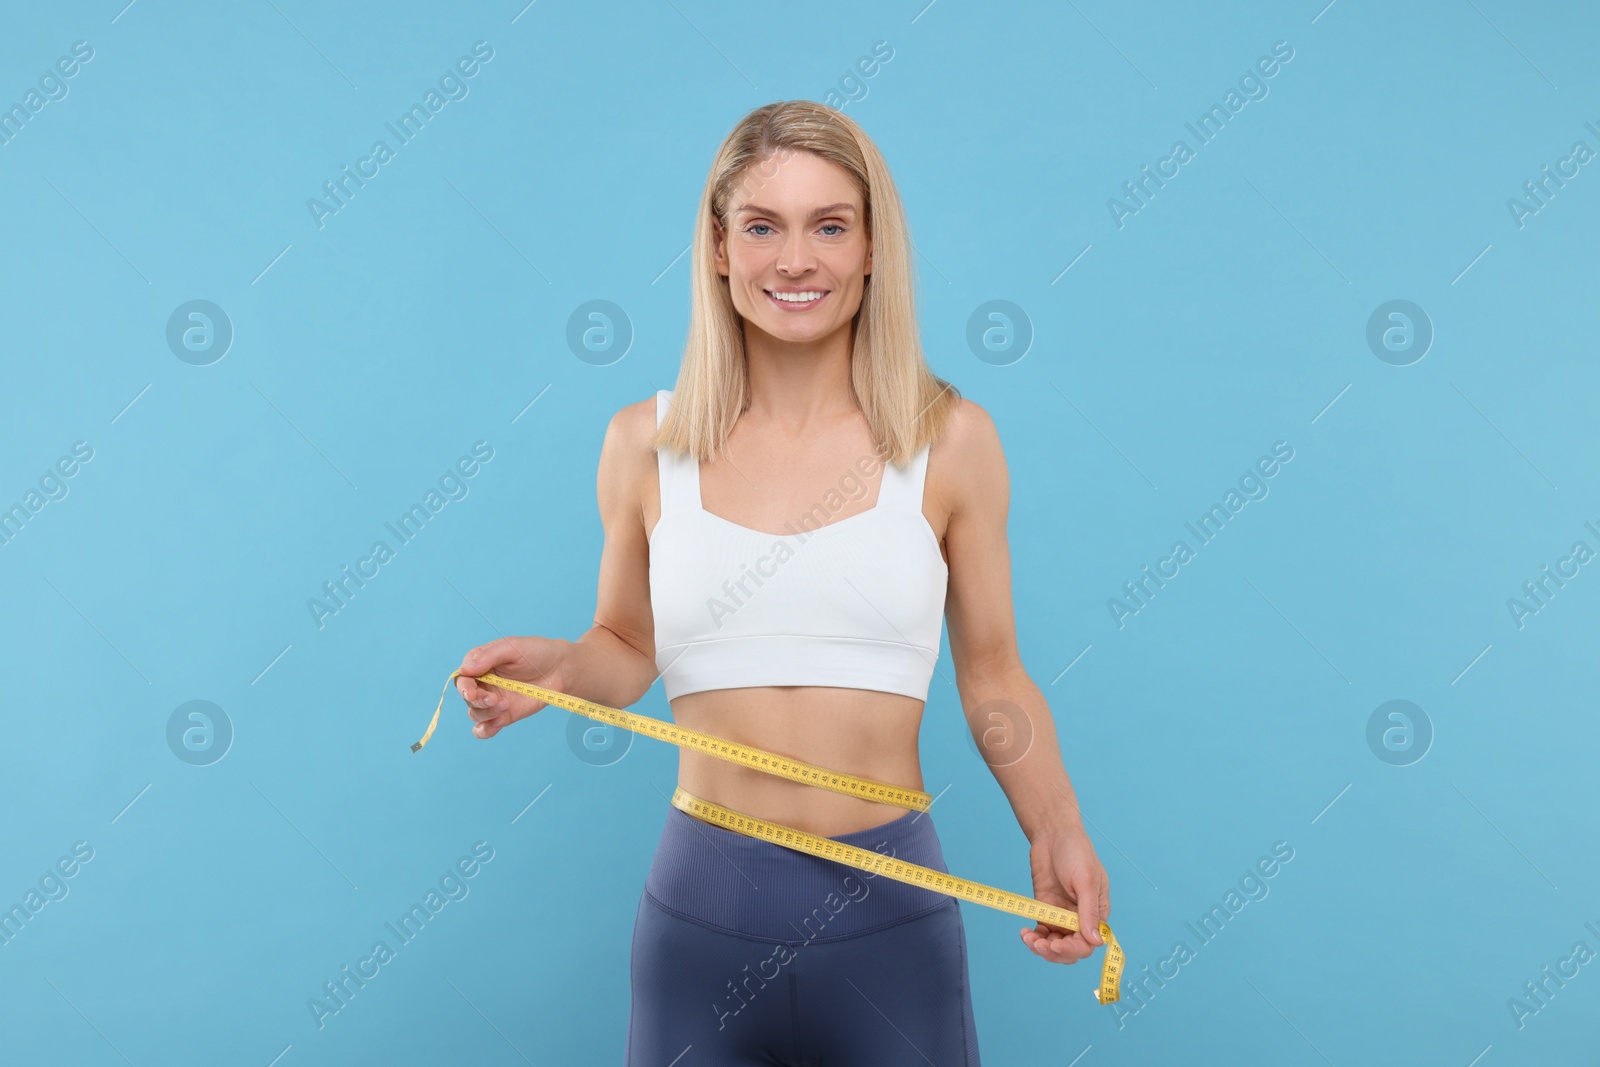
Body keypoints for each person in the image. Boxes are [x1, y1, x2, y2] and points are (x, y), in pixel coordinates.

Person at [453, 99, 1108, 1065]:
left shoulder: (950, 440)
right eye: (762, 227)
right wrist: (556, 668)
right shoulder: (646, 443)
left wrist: (1057, 829)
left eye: (829, 226)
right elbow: (626, 647)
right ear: (719, 248)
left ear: (874, 247)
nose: (795, 260)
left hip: (891, 919)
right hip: (699, 925)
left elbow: (996, 676)